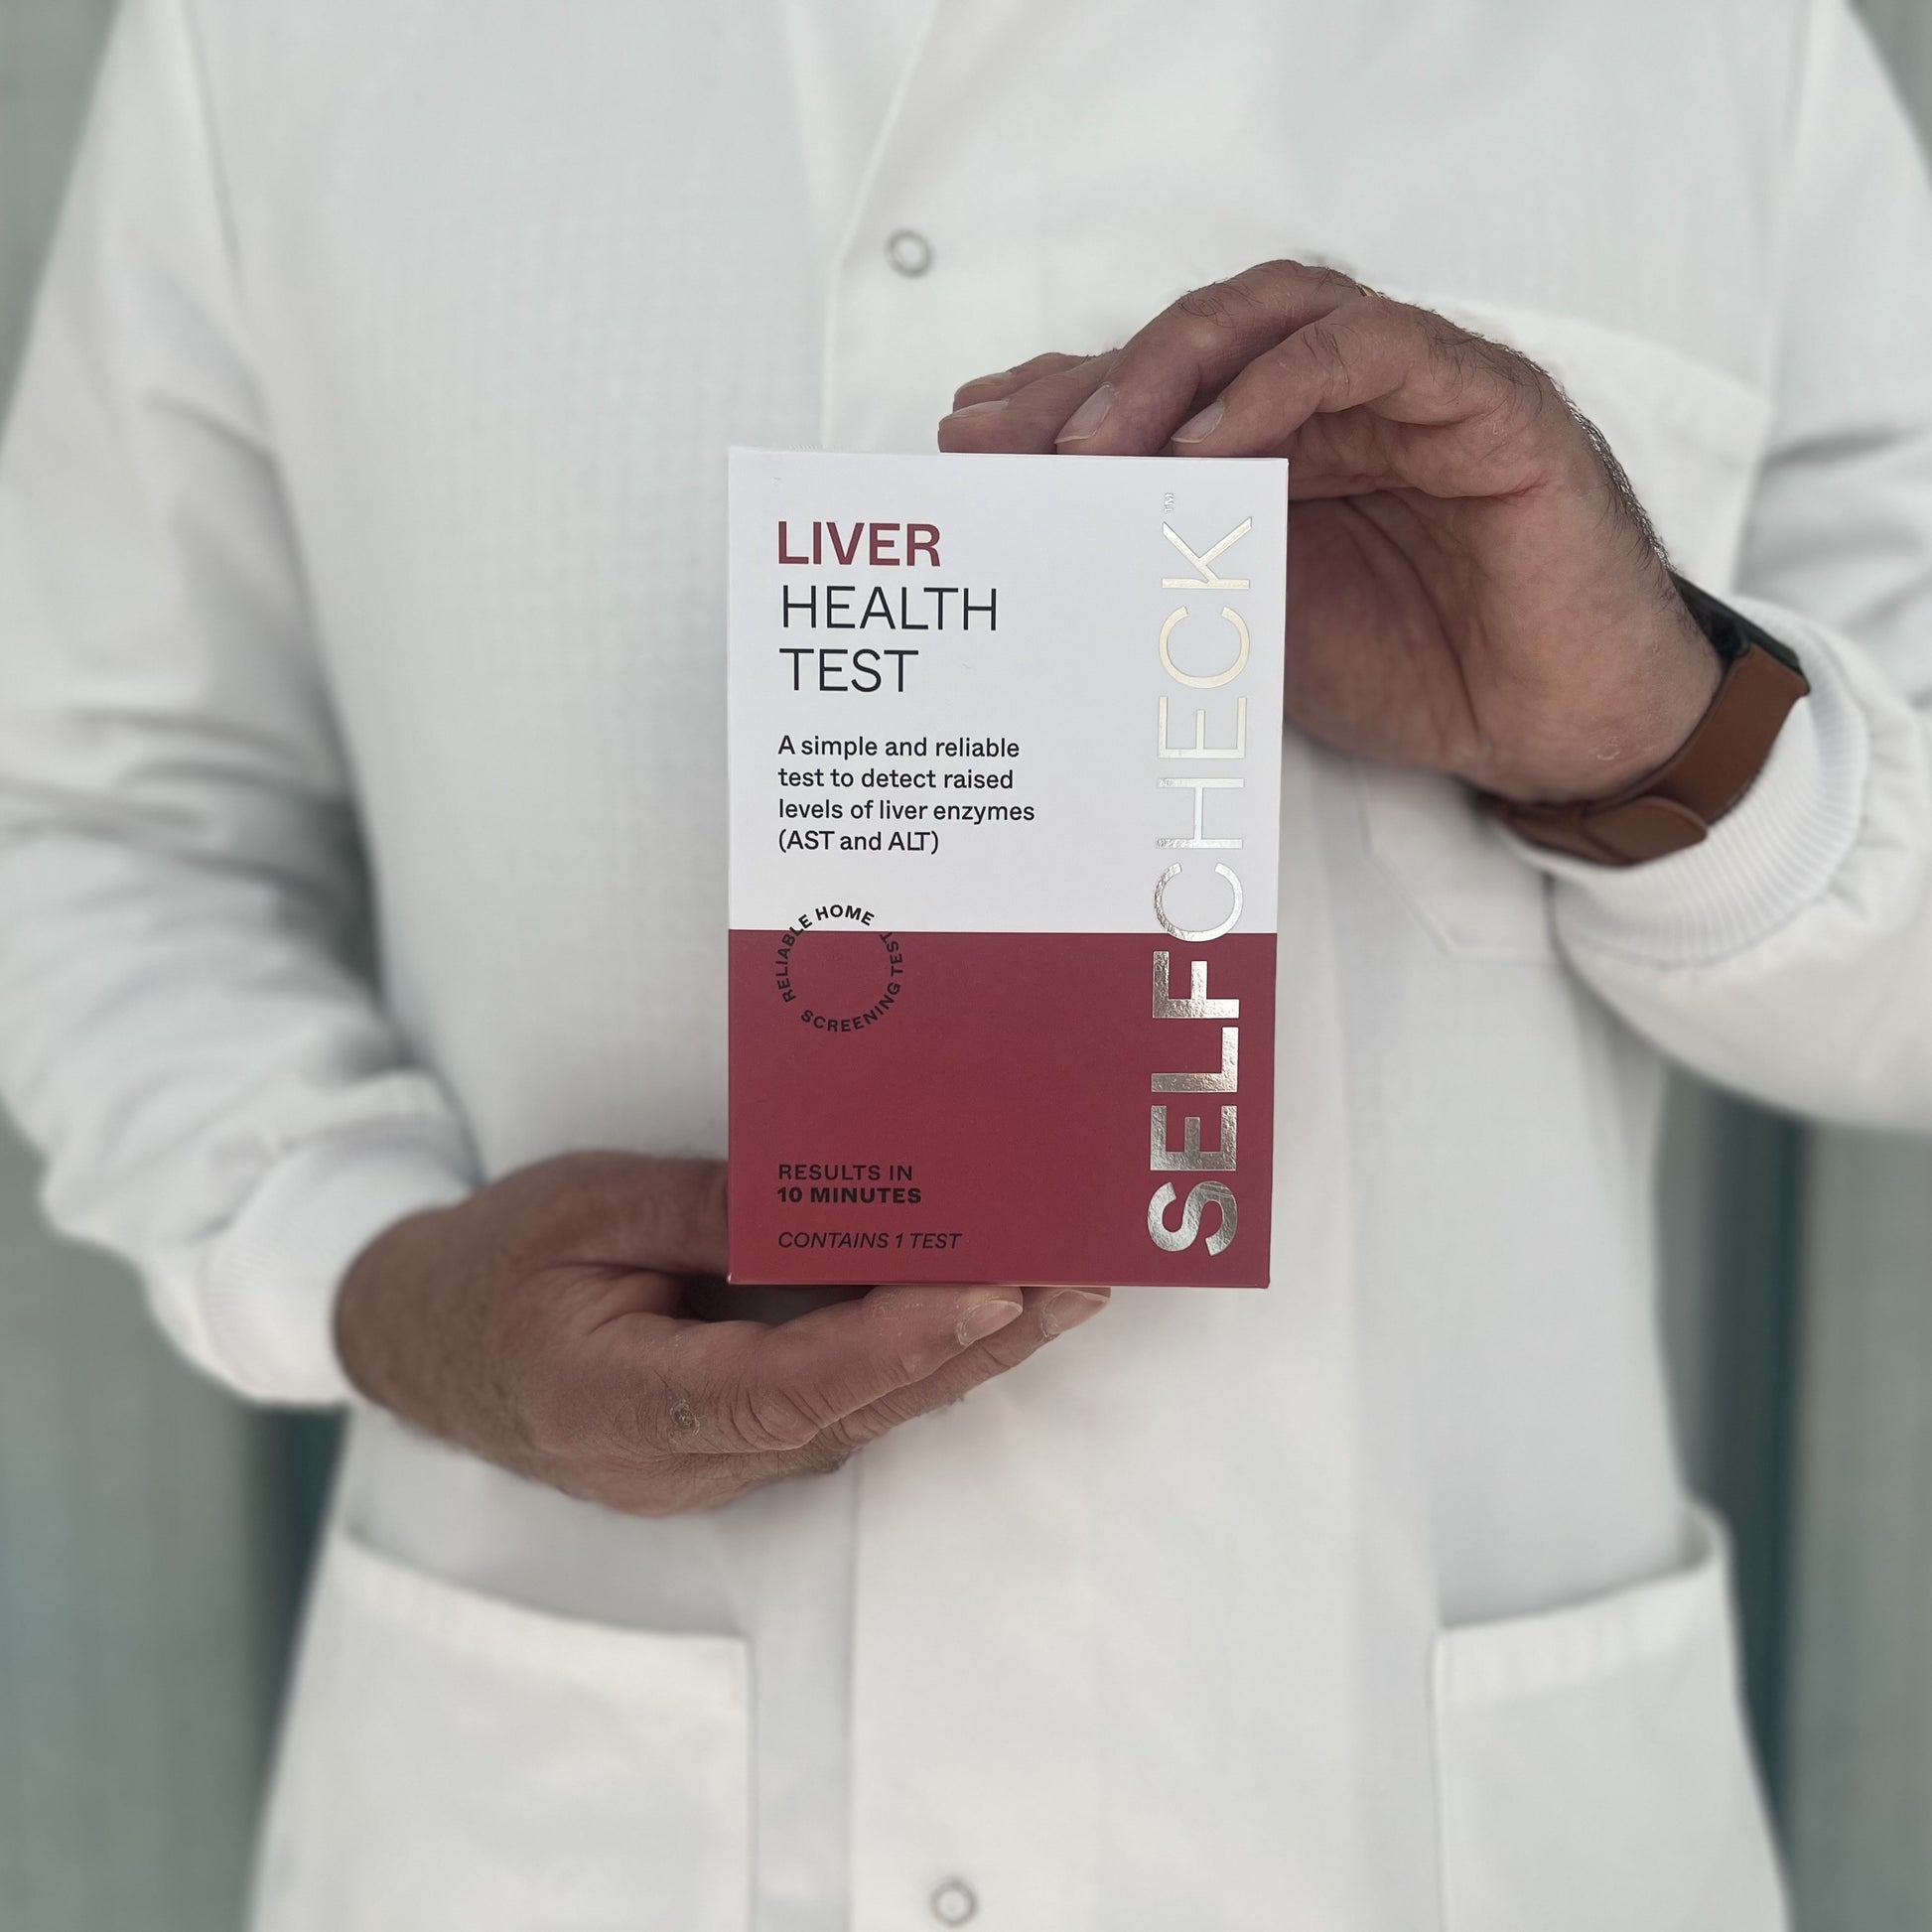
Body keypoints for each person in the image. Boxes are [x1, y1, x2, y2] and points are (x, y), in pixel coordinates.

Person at [2, 0, 1929, 1925]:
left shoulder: (1710, 49)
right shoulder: (280, 40)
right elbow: (89, 815)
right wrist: (359, 1267)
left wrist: (1664, 733)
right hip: (571, 1811)